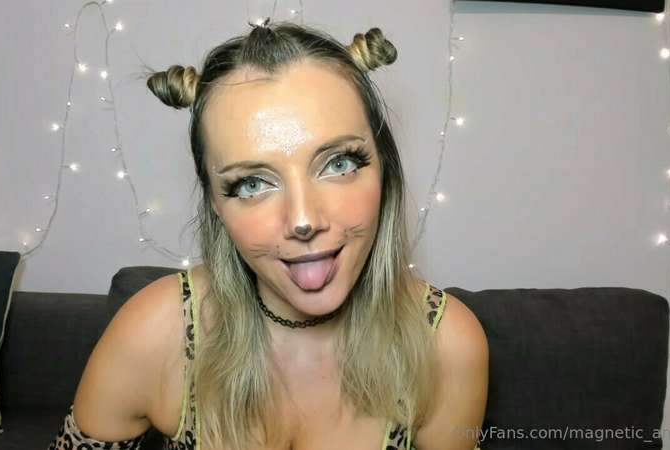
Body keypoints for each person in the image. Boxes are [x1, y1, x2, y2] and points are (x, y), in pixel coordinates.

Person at [47, 19, 488, 450]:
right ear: (215, 203)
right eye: (252, 184)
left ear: (384, 169)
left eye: (339, 163)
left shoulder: (447, 345)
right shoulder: (153, 334)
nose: (303, 220)